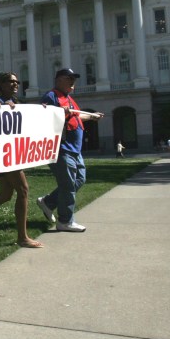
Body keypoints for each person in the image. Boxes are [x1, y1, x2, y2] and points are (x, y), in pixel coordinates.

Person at [36, 68, 103, 233]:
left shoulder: (69, 99)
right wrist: (59, 112)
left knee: (79, 179)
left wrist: (92, 117)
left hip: (75, 150)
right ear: (59, 79)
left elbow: (76, 116)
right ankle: (65, 221)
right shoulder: (51, 96)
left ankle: (49, 202)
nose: (73, 81)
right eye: (69, 78)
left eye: (74, 78)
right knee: (67, 186)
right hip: (62, 149)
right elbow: (45, 116)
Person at [0, 72, 42, 249]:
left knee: (5, 195)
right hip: (5, 154)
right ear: (1, 84)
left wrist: (42, 109)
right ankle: (22, 237)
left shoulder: (17, 103)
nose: (15, 84)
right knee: (23, 190)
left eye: (17, 82)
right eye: (11, 82)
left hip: (14, 152)